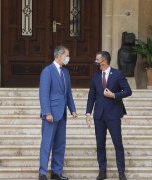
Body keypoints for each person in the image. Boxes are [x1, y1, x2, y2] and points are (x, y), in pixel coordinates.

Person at [86, 51, 132, 180]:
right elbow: (91, 96)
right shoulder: (95, 77)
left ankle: (121, 172)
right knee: (100, 144)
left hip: (113, 114)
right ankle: (102, 171)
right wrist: (88, 113)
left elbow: (128, 91)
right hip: (99, 116)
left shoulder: (118, 74)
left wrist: (114, 95)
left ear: (104, 61)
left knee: (118, 144)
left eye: (97, 59)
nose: (95, 61)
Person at [39, 45, 77, 180]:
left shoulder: (65, 72)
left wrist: (73, 109)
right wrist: (47, 112)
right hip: (51, 115)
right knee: (47, 143)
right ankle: (43, 173)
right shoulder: (48, 71)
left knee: (60, 144)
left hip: (62, 114)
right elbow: (44, 94)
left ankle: (56, 172)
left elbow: (68, 94)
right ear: (60, 55)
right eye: (67, 55)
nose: (68, 58)